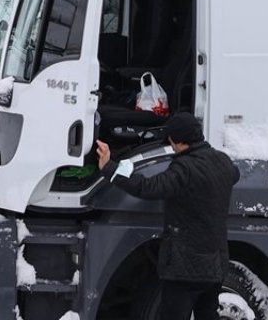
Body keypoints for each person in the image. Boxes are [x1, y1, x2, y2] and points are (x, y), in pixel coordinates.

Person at [95, 112, 241, 320]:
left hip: (186, 267)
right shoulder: (223, 162)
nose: (170, 145)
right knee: (207, 314)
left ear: (179, 140)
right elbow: (234, 174)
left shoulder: (184, 169)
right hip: (216, 263)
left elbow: (148, 187)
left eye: (171, 139)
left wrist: (110, 168)